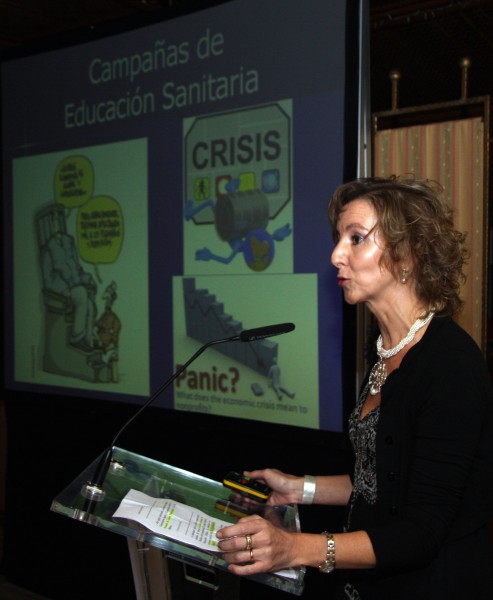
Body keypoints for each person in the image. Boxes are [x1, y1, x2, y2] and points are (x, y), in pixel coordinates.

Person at [216, 176, 493, 599]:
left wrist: (296, 548)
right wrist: (300, 488)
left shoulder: (449, 367)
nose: (335, 255)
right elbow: (382, 481)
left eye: (356, 238)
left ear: (409, 253)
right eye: (339, 238)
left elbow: (421, 532)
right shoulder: (383, 349)